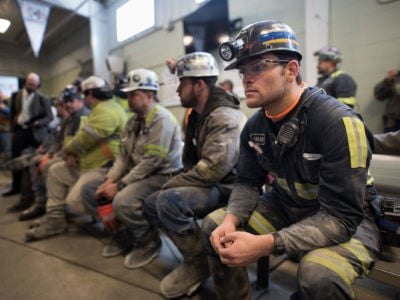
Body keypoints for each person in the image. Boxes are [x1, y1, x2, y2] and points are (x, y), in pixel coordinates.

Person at [200, 20, 381, 299]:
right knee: (215, 228)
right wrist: (231, 218)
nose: (246, 78)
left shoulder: (336, 122)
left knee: (317, 275)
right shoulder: (255, 128)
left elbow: (342, 218)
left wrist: (267, 244)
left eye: (258, 67)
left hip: (349, 218)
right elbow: (248, 183)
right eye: (243, 69)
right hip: (286, 206)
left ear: (291, 70)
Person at [143, 52, 244, 299]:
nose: (177, 90)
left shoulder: (222, 115)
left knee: (167, 200)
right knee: (151, 202)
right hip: (215, 183)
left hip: (232, 188)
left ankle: (198, 264)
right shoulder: (200, 114)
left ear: (199, 85)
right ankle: (195, 258)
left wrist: (171, 183)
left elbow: (212, 169)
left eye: (182, 83)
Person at [80, 68, 183, 268]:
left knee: (123, 201)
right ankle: (124, 233)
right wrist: (109, 180)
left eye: (134, 94)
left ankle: (149, 242)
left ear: (149, 95)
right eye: (128, 95)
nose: (129, 99)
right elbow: (123, 157)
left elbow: (152, 162)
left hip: (163, 175)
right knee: (91, 190)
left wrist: (119, 186)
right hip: (139, 173)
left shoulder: (161, 119)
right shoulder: (132, 121)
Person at [25, 75, 127, 242]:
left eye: (83, 95)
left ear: (90, 95)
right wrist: (70, 151)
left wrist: (68, 150)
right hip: (88, 164)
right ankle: (55, 219)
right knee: (56, 171)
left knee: (74, 201)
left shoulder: (107, 111)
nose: (82, 99)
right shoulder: (100, 110)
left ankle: (119, 220)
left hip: (103, 167)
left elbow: (82, 140)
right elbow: (78, 139)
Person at [19, 85, 90, 221]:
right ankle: (42, 203)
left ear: (80, 100)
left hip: (81, 159)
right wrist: (51, 153)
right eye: (65, 102)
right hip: (66, 154)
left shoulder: (82, 117)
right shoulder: (71, 118)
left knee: (48, 167)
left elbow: (79, 143)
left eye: (71, 101)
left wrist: (58, 155)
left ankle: (55, 210)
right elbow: (60, 140)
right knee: (35, 162)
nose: (67, 105)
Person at [5, 73, 53, 212]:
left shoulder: (42, 98)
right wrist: (12, 129)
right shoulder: (16, 96)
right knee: (16, 159)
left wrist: (38, 122)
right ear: (25, 82)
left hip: (36, 132)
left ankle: (33, 194)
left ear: (38, 85)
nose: (32, 86)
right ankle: (16, 187)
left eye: (34, 84)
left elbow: (49, 116)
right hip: (20, 131)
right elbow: (13, 113)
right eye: (30, 83)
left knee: (33, 160)